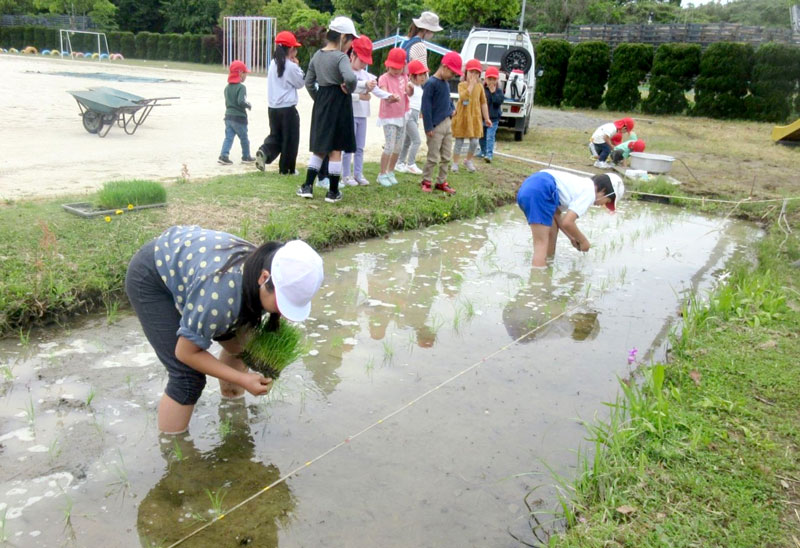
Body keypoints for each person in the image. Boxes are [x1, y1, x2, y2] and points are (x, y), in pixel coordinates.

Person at [125, 225, 324, 434]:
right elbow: (185, 353)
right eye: (282, 304)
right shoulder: (220, 295)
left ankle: (232, 409)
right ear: (264, 278)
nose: (282, 314)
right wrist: (244, 379)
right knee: (187, 378)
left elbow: (236, 335)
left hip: (196, 272)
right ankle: (174, 453)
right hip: (153, 278)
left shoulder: (260, 271)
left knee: (241, 347)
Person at [297, 16, 359, 203]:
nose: (350, 46)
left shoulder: (317, 55)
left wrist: (319, 99)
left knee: (320, 147)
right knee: (336, 148)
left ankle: (307, 186)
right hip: (339, 103)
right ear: (343, 37)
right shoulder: (341, 57)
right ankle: (333, 192)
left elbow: (308, 83)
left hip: (322, 101)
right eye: (350, 41)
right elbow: (350, 78)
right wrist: (349, 88)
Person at [516, 170, 624, 267]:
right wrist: (584, 241)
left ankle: (548, 265)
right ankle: (538, 284)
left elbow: (556, 215)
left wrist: (572, 237)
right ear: (604, 191)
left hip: (530, 186)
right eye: (608, 201)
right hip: (542, 190)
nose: (603, 205)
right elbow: (568, 222)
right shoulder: (590, 192)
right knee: (541, 243)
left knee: (552, 230)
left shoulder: (580, 184)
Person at [342, 35, 394, 187]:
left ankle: (358, 173)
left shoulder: (366, 75)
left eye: (366, 62)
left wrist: (389, 96)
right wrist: (360, 96)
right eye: (361, 60)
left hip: (362, 115)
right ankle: (346, 174)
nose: (364, 64)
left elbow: (376, 90)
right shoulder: (347, 73)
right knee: (348, 147)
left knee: (359, 147)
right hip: (350, 113)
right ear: (352, 55)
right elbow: (344, 92)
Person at [256, 31, 304, 175]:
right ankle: (287, 169)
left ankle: (265, 151)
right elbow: (300, 83)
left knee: (276, 136)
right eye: (295, 48)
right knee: (290, 139)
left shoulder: (272, 63)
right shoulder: (291, 66)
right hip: (288, 108)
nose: (296, 51)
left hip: (273, 107)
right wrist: (298, 65)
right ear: (290, 49)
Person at [420, 51, 462, 195]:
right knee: (433, 156)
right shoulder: (431, 83)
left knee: (446, 155)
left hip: (447, 123)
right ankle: (426, 180)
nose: (452, 76)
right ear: (444, 67)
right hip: (435, 126)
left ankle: (441, 181)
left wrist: (452, 109)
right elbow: (426, 106)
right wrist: (428, 126)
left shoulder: (446, 83)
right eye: (452, 73)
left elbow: (448, 99)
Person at [376, 47, 412, 187]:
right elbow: (383, 93)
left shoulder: (404, 77)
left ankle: (390, 171)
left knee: (398, 146)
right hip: (389, 117)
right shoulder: (384, 78)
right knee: (389, 146)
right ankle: (382, 173)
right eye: (393, 67)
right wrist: (390, 96)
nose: (395, 70)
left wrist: (410, 90)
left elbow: (408, 93)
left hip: (401, 116)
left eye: (398, 67)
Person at [451, 59, 492, 173]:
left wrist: (487, 118)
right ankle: (455, 163)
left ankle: (468, 160)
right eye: (471, 72)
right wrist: (471, 86)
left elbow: (483, 103)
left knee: (474, 142)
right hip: (462, 118)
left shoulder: (480, 87)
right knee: (459, 141)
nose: (473, 75)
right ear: (466, 73)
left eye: (476, 73)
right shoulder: (461, 85)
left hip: (475, 118)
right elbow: (463, 97)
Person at [218, 60, 255, 165]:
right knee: (244, 138)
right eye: (245, 73)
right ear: (240, 74)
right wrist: (248, 105)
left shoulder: (227, 88)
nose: (246, 76)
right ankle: (246, 156)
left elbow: (228, 102)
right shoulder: (241, 87)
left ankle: (223, 155)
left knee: (228, 138)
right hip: (239, 118)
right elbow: (241, 101)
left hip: (228, 117)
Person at [395, 59, 428, 175]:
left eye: (424, 74)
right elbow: (407, 91)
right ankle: (410, 164)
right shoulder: (410, 85)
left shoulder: (420, 87)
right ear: (413, 75)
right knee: (417, 140)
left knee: (407, 141)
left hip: (415, 115)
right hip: (409, 115)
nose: (423, 77)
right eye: (420, 75)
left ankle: (400, 163)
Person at [477, 66, 504, 163]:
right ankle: (483, 151)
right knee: (481, 136)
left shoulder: (499, 92)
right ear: (485, 79)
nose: (491, 82)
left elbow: (498, 102)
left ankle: (489, 154)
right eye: (489, 79)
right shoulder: (482, 90)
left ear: (497, 80)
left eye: (494, 79)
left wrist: (493, 93)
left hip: (493, 119)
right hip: (482, 118)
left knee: (490, 137)